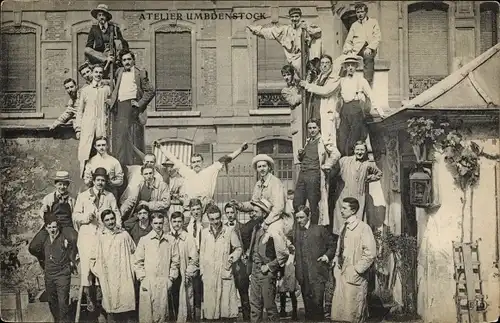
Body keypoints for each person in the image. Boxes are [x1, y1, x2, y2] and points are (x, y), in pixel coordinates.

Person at [73, 167, 121, 312]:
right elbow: (75, 215)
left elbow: (116, 212)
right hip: (87, 235)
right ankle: (89, 299)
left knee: (101, 266)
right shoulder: (83, 196)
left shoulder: (109, 196)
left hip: (103, 235)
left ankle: (102, 299)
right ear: (93, 181)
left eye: (103, 181)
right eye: (98, 180)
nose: (100, 183)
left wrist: (117, 226)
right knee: (87, 268)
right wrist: (85, 218)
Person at [156, 142, 248, 207]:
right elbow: (172, 158)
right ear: (191, 164)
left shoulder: (209, 171)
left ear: (202, 162)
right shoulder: (187, 172)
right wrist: (160, 147)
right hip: (190, 207)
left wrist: (241, 149)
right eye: (194, 162)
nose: (196, 164)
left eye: (198, 161)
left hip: (206, 206)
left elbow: (225, 158)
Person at [331, 197, 376, 322]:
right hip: (342, 272)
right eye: (341, 207)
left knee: (354, 312)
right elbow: (340, 247)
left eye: (344, 208)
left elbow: (370, 253)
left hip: (355, 275)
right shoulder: (343, 226)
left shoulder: (363, 228)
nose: (341, 210)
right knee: (342, 312)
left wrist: (357, 269)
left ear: (353, 210)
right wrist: (336, 260)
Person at [108, 49, 155, 166]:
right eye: (124, 60)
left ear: (133, 60)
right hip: (119, 106)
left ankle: (131, 164)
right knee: (119, 137)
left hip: (131, 107)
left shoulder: (140, 73)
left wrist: (139, 104)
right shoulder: (119, 71)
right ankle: (120, 165)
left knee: (128, 136)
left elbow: (150, 90)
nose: (127, 62)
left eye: (129, 59)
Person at [247, 7, 322, 77]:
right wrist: (255, 29)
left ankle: (313, 68)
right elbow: (271, 31)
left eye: (296, 16)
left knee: (318, 42)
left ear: (300, 17)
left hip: (306, 55)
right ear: (290, 18)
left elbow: (318, 33)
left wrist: (307, 28)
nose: (294, 19)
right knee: (300, 76)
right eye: (292, 17)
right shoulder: (285, 30)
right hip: (294, 58)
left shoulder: (306, 26)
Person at [247, 199, 289, 322]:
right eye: (252, 211)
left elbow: (284, 254)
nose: (252, 214)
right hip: (255, 272)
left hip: (266, 273)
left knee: (269, 307)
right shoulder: (256, 227)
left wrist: (270, 266)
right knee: (254, 305)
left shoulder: (274, 230)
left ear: (264, 214)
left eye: (256, 211)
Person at [134, 212, 180, 323]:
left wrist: (171, 278)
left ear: (164, 223)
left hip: (164, 281)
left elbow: (175, 262)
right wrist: (142, 279)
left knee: (163, 314)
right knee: (147, 316)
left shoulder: (170, 240)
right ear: (151, 223)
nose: (158, 226)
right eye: (155, 223)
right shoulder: (144, 240)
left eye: (160, 223)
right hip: (148, 282)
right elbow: (137, 262)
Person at [91, 209, 136, 323]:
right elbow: (93, 258)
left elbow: (134, 251)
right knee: (111, 306)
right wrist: (100, 273)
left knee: (126, 305)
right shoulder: (100, 237)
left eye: (112, 219)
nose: (110, 222)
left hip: (124, 274)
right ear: (103, 222)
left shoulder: (124, 235)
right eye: (107, 220)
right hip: (108, 276)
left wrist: (131, 269)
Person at [292, 206, 336, 321]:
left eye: (301, 217)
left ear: (308, 216)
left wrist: (326, 256)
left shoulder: (319, 229)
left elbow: (332, 245)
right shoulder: (297, 232)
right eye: (297, 218)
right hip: (303, 275)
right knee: (307, 306)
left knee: (317, 305)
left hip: (317, 274)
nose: (299, 220)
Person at [199, 204, 242, 320]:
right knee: (211, 311)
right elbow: (202, 253)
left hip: (224, 272)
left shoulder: (228, 231)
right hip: (209, 274)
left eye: (218, 218)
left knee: (226, 309)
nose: (216, 221)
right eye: (212, 219)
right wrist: (203, 272)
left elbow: (238, 248)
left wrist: (231, 258)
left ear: (221, 217)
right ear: (208, 219)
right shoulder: (204, 233)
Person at [293, 118, 340, 225]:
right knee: (297, 202)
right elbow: (305, 158)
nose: (312, 130)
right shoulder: (308, 141)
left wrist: (327, 165)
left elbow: (336, 154)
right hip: (302, 174)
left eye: (314, 127)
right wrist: (301, 154)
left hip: (314, 175)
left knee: (314, 204)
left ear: (319, 128)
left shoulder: (323, 141)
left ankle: (314, 229)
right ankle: (300, 227)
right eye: (309, 128)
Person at [33, 213, 77, 323]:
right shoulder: (44, 240)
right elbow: (35, 249)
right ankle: (58, 321)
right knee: (52, 303)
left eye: (54, 227)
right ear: (46, 228)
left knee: (63, 303)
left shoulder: (64, 238)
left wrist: (71, 260)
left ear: (57, 227)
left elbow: (73, 250)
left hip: (62, 274)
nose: (52, 230)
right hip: (49, 275)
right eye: (50, 227)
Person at [29, 171, 78, 269]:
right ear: (56, 184)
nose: (62, 187)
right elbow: (42, 212)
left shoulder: (72, 198)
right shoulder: (49, 198)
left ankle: (71, 262)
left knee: (74, 239)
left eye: (65, 184)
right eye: (60, 184)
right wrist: (49, 224)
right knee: (33, 247)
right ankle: (45, 261)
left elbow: (75, 214)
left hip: (66, 225)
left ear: (68, 185)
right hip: (51, 225)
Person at [332, 141, 382, 235]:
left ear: (365, 151)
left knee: (357, 220)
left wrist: (367, 178)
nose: (359, 152)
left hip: (358, 196)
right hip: (344, 195)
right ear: (354, 150)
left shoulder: (368, 164)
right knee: (342, 220)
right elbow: (334, 171)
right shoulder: (345, 160)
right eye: (357, 149)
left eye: (362, 150)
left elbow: (379, 174)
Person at [336, 55, 382, 156]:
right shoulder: (341, 81)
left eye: (353, 65)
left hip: (356, 110)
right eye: (348, 65)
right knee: (342, 139)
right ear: (345, 67)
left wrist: (379, 111)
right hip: (345, 110)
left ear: (356, 67)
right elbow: (336, 97)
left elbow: (371, 95)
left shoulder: (361, 80)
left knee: (355, 139)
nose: (351, 67)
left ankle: (355, 162)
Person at [232, 154, 286, 235]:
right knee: (243, 231)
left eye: (264, 166)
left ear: (269, 167)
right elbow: (254, 203)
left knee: (273, 235)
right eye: (259, 167)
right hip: (260, 217)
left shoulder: (275, 182)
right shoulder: (258, 184)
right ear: (257, 169)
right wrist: (239, 205)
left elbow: (278, 208)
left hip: (275, 218)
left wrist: (267, 222)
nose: (262, 169)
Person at [74, 63, 112, 177]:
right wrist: (78, 128)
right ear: (92, 73)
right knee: (86, 152)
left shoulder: (107, 89)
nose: (98, 74)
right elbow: (79, 111)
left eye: (100, 72)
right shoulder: (85, 91)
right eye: (96, 72)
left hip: (101, 123)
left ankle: (102, 176)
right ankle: (86, 178)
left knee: (102, 149)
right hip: (88, 125)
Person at [299, 54, 342, 145]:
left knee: (327, 141)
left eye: (327, 63)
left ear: (331, 65)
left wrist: (307, 85)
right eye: (322, 63)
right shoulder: (317, 78)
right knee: (315, 140)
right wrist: (308, 82)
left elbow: (325, 91)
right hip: (314, 112)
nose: (324, 65)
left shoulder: (335, 79)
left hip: (326, 114)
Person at [167, 211, 199, 322]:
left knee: (185, 301)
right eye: (174, 221)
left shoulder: (188, 238)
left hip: (183, 273)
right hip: (170, 274)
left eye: (179, 221)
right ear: (171, 222)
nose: (177, 224)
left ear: (183, 222)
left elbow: (194, 258)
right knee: (170, 302)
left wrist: (189, 271)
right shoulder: (167, 237)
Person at [342, 2, 381, 86]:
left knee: (368, 57)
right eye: (358, 12)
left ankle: (367, 83)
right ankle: (344, 83)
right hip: (356, 49)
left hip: (369, 48)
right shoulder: (354, 25)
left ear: (366, 12)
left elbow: (377, 37)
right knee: (343, 60)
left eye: (362, 12)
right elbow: (348, 40)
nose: (360, 14)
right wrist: (347, 49)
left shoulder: (373, 22)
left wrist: (370, 48)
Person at [224, 202, 251, 321]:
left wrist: (246, 255)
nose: (230, 215)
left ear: (236, 212)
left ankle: (246, 319)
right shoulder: (223, 228)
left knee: (243, 294)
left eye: (232, 212)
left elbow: (248, 245)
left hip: (239, 265)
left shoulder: (242, 228)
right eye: (227, 213)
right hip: (227, 265)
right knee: (227, 295)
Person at [185, 198, 205, 319]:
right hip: (192, 257)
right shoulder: (187, 224)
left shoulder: (205, 223)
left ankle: (203, 316)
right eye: (193, 210)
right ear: (190, 211)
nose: (196, 212)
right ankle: (193, 316)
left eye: (198, 209)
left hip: (203, 256)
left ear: (202, 209)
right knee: (192, 289)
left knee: (202, 289)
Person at [280, 65, 303, 165]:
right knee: (298, 150)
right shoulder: (285, 91)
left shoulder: (299, 86)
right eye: (284, 75)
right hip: (297, 120)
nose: (286, 77)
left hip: (305, 117)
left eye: (288, 74)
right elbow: (293, 101)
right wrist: (303, 95)